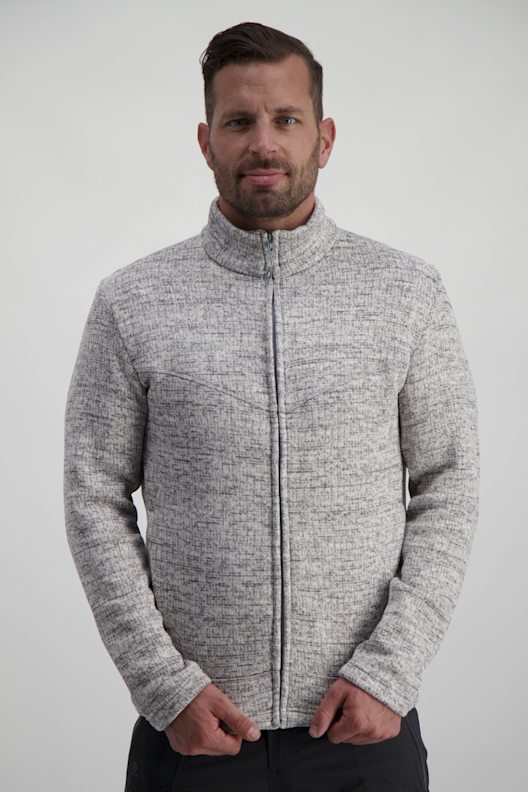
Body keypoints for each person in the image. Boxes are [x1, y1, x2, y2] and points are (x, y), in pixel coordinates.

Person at [63, 21, 479, 792]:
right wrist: (164, 686)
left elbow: (448, 484)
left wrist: (391, 671)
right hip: (194, 737)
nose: (263, 143)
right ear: (205, 141)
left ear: (324, 137)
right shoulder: (133, 303)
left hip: (364, 733)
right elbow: (93, 497)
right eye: (238, 122)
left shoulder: (407, 294)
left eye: (286, 119)